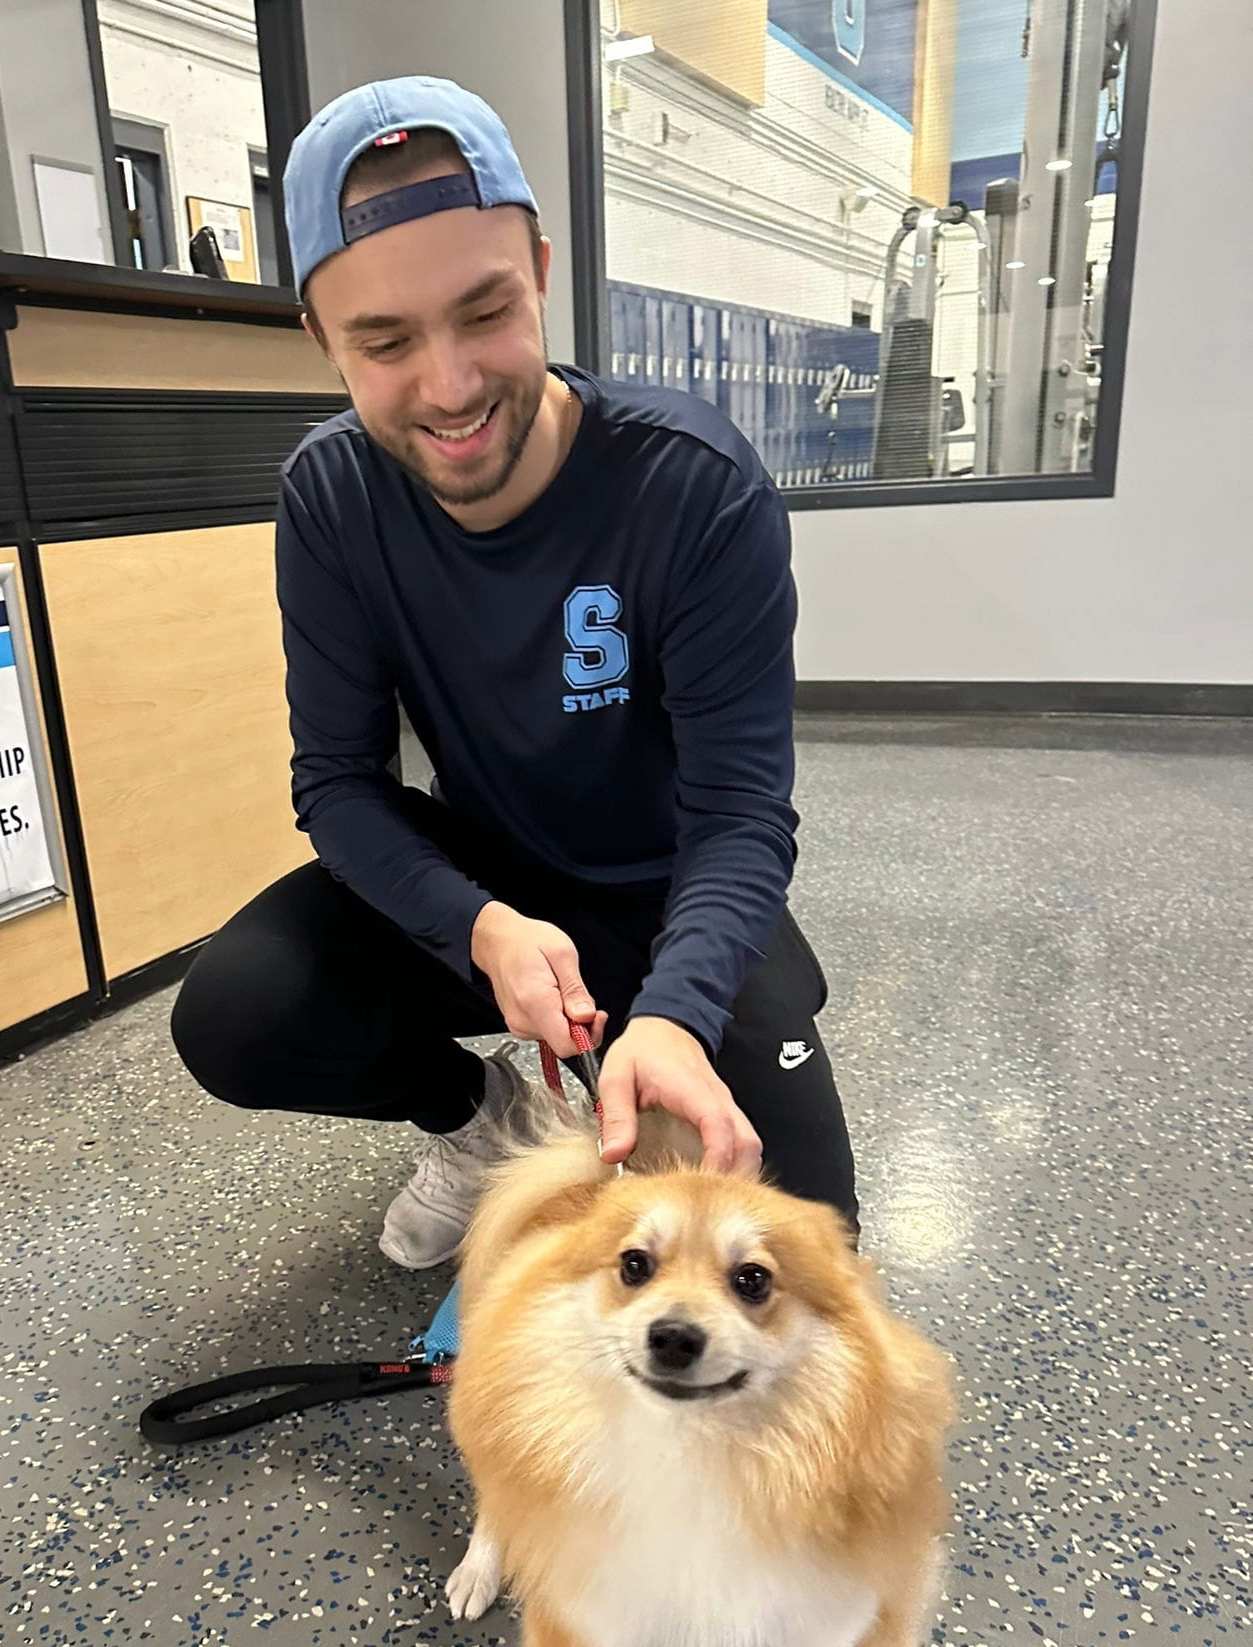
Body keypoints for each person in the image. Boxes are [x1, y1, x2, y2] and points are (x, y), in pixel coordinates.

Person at [171, 75, 857, 1268]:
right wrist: (476, 924)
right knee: (239, 1014)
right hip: (489, 877)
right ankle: (483, 1125)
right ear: (321, 340)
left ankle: (694, 1017)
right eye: (383, 341)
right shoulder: (329, 499)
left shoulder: (692, 485)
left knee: (813, 1255)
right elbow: (336, 782)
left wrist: (681, 1007)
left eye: (484, 311)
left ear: (540, 271)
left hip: (667, 879)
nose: (447, 387)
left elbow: (744, 810)